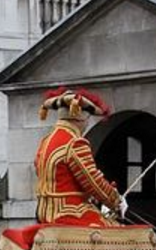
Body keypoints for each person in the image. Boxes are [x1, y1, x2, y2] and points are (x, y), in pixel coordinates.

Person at [34, 88, 126, 226]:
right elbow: (92, 181)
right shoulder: (75, 142)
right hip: (70, 213)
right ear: (80, 117)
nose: (87, 123)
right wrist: (116, 201)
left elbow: (57, 178)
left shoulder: (46, 141)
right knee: (122, 236)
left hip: (44, 212)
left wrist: (87, 196)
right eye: (88, 118)